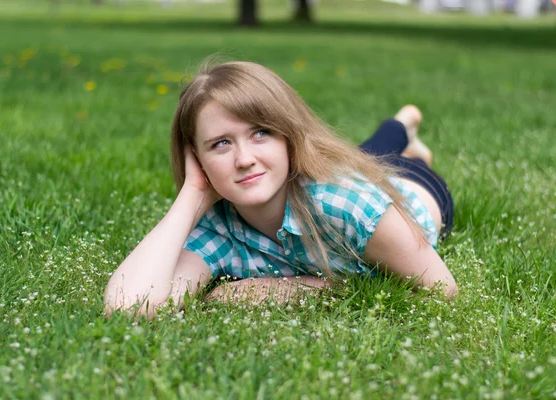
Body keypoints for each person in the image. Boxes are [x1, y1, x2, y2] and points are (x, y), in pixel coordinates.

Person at [104, 60, 457, 319]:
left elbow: (442, 290)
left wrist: (293, 287)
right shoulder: (219, 226)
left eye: (261, 133)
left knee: (377, 159)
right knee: (365, 154)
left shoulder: (347, 203)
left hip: (413, 188)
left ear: (288, 136)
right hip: (325, 176)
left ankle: (404, 130)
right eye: (221, 144)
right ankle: (403, 131)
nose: (244, 159)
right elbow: (129, 306)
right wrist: (193, 192)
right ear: (196, 156)